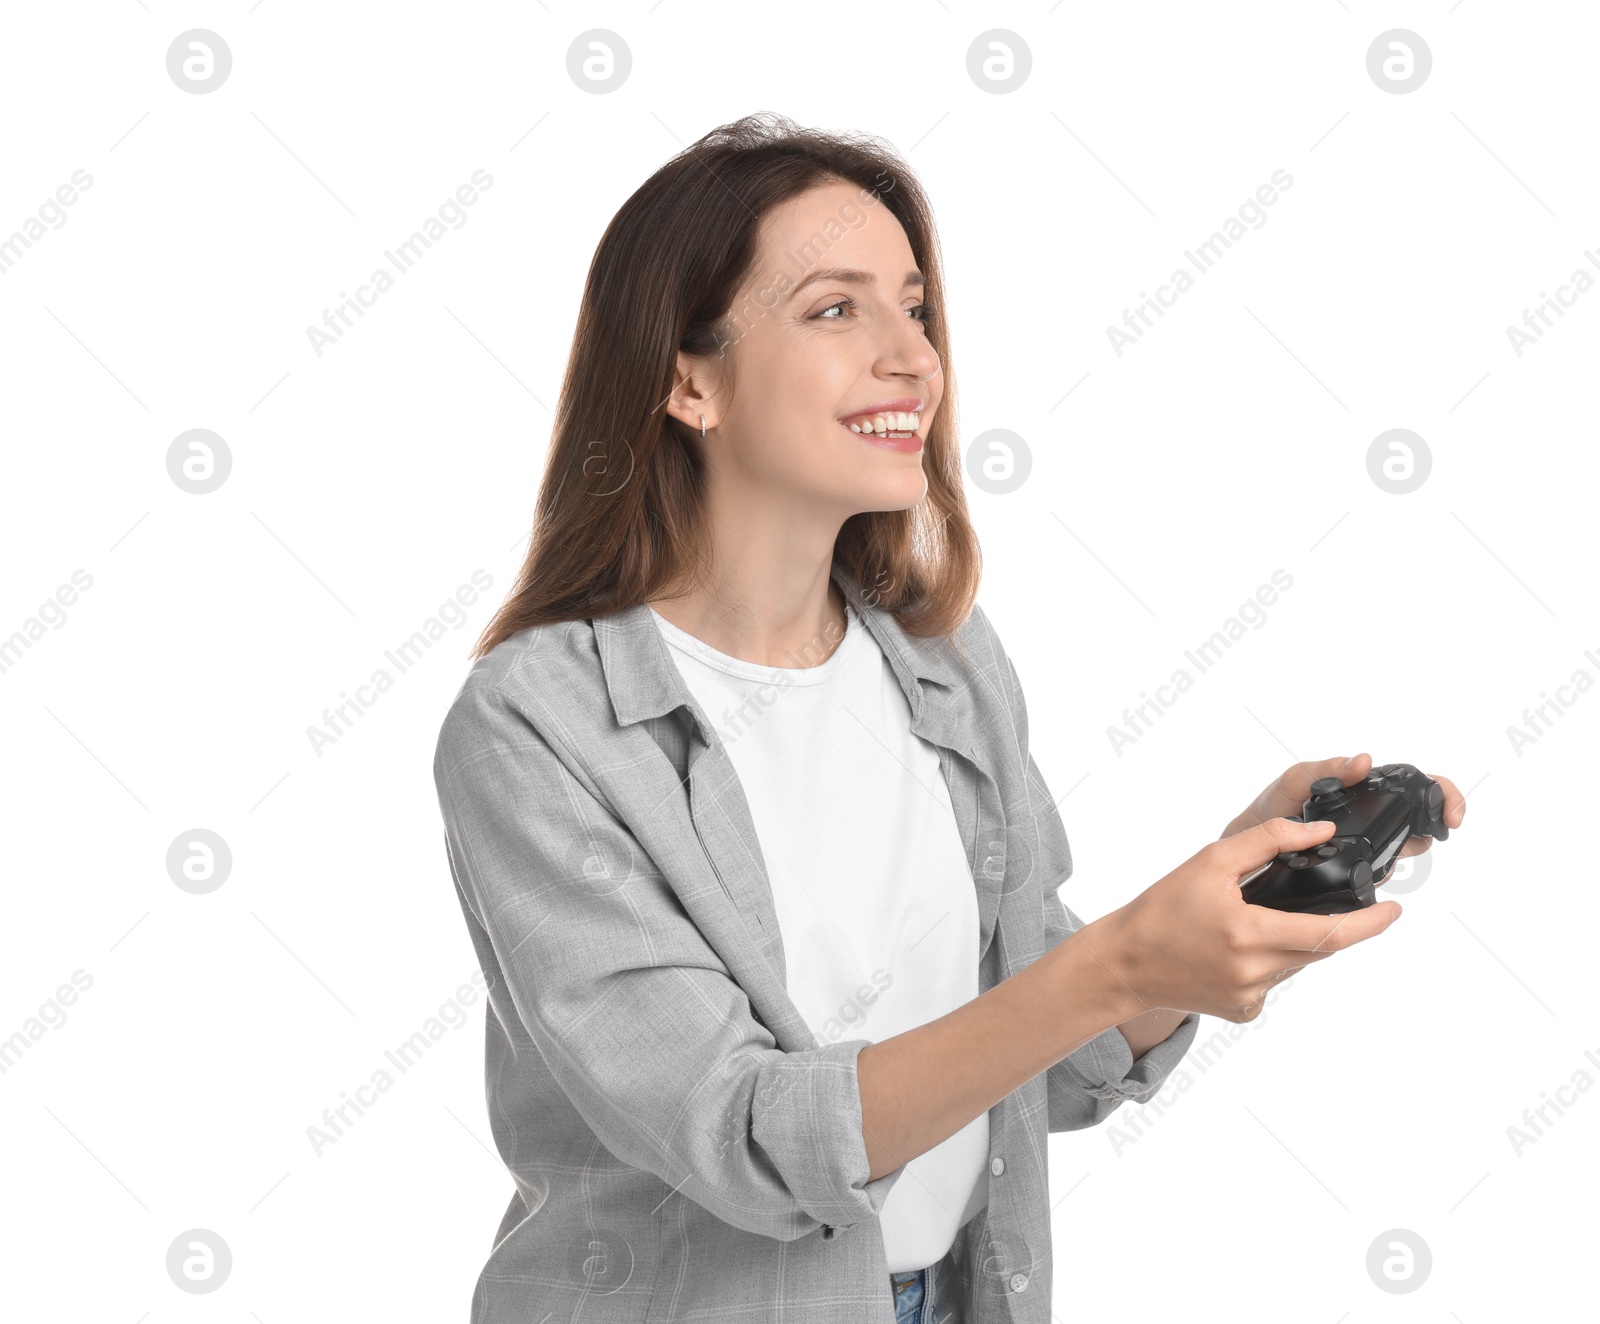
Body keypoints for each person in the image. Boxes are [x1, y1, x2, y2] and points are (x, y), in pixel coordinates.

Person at [431, 112, 1465, 1324]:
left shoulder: (941, 662)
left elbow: (1055, 1060)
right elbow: (741, 1141)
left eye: (914, 307)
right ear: (687, 378)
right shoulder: (537, 724)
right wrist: (1112, 963)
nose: (912, 357)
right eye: (834, 309)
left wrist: (1210, 911)